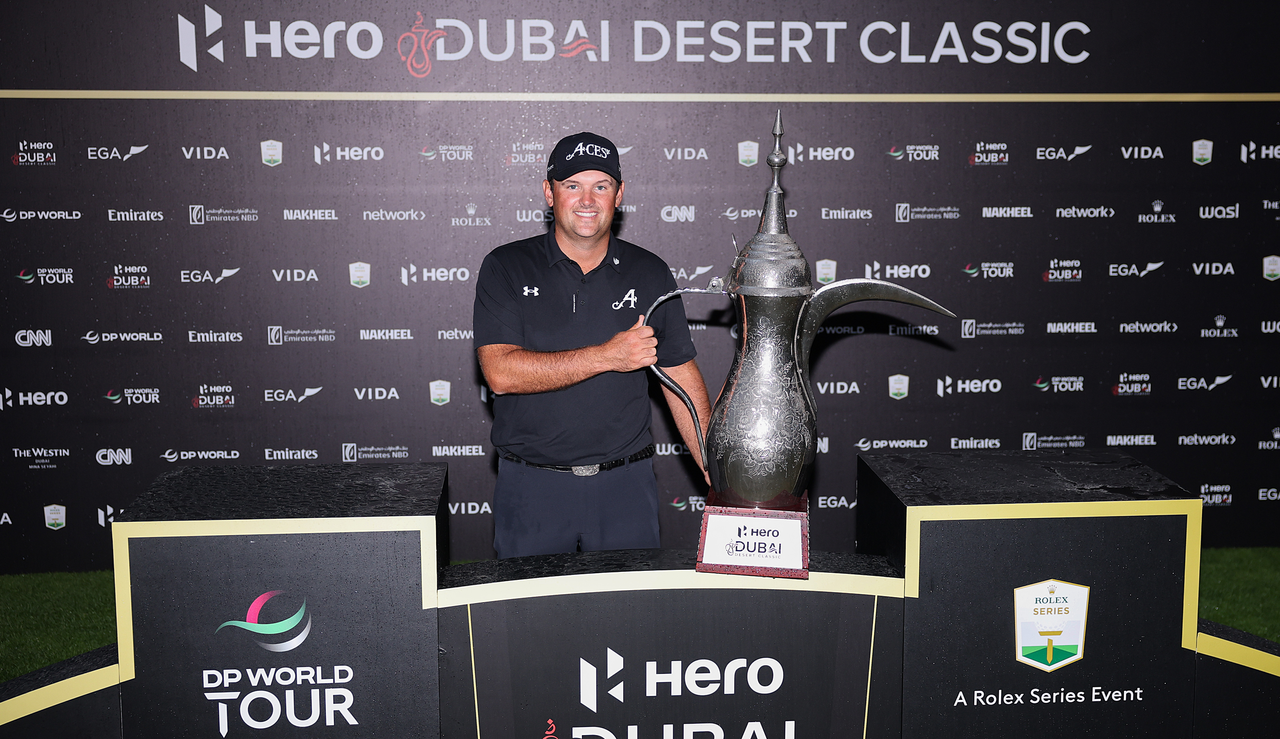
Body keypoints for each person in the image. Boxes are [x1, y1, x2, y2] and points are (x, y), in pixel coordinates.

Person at [472, 131, 712, 559]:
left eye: (601, 186)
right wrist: (608, 356)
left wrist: (720, 473)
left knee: (629, 604)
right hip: (532, 489)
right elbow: (501, 373)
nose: (587, 200)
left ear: (619, 195)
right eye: (572, 185)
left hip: (626, 487)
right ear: (549, 193)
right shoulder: (506, 266)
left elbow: (680, 378)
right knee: (532, 604)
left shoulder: (650, 271)